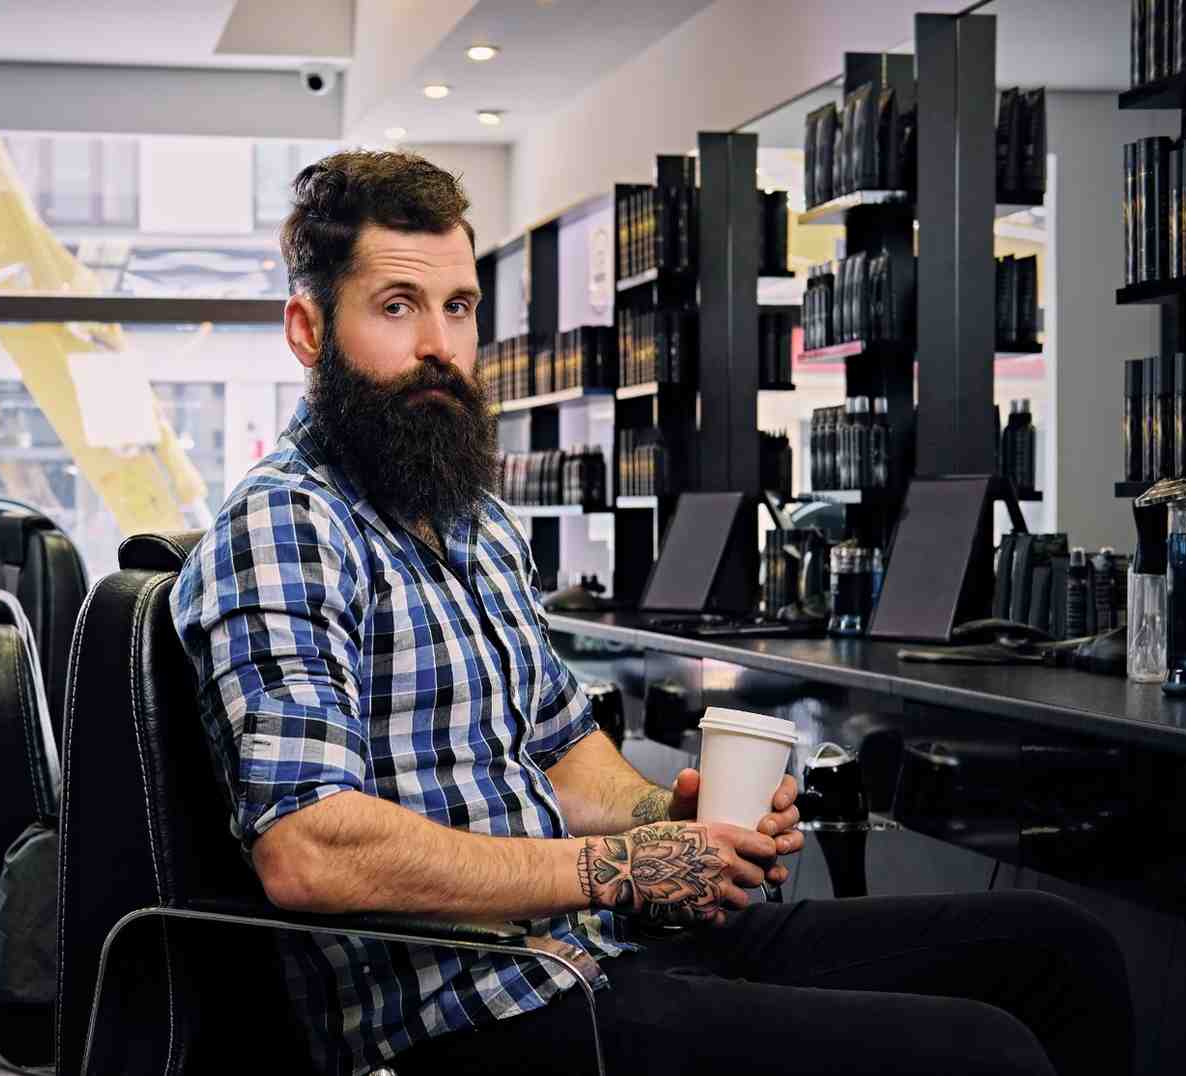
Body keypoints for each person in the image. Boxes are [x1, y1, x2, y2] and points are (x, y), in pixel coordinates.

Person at [171, 151, 1133, 1076]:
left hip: (604, 949)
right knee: (982, 1054)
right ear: (307, 330)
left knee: (1057, 949)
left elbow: (561, 751)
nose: (439, 346)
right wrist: (617, 869)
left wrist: (673, 821)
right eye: (396, 307)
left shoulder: (474, 524)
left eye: (458, 308)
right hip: (478, 1016)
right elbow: (310, 849)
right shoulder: (289, 523)